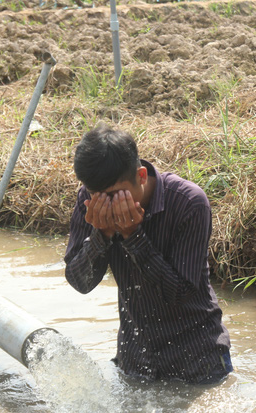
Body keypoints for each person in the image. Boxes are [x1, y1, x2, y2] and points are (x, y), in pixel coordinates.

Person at [64, 124, 233, 384]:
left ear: (141, 176)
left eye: (114, 195)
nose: (107, 204)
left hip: (198, 363)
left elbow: (180, 292)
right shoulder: (91, 202)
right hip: (135, 362)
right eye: (95, 194)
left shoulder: (188, 203)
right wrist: (103, 234)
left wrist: (132, 235)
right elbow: (79, 282)